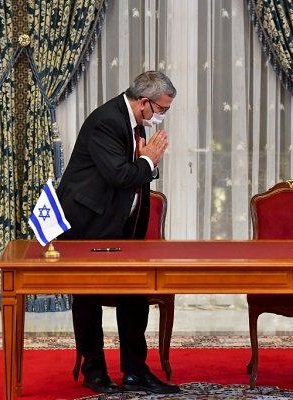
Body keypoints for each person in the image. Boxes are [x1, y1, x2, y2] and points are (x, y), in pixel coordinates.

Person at [57, 71, 179, 394]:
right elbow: (119, 175)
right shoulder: (107, 122)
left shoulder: (134, 121)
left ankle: (135, 372)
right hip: (85, 223)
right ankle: (94, 372)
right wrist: (148, 160)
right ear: (144, 102)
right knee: (88, 298)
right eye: (162, 109)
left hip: (116, 227)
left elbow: (133, 172)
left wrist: (146, 162)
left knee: (134, 295)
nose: (162, 116)